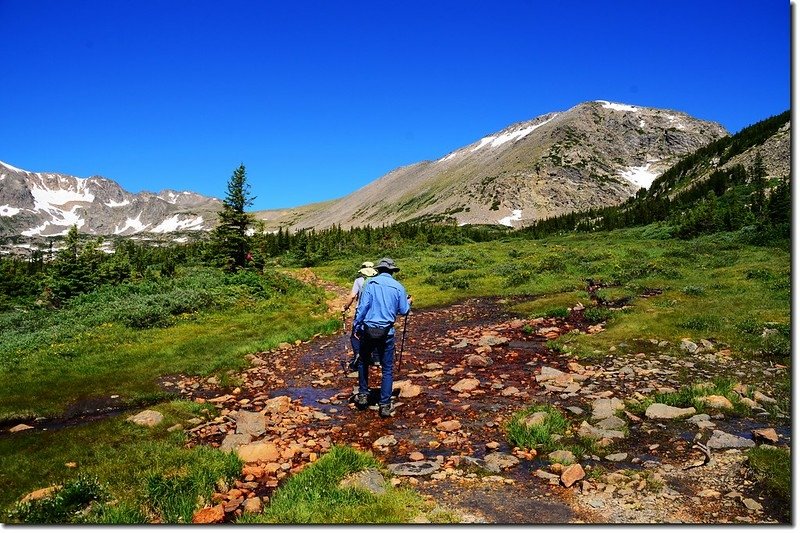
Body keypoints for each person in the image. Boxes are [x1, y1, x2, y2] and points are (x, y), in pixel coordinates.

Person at [353, 257, 412, 418]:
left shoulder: (370, 284)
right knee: (387, 369)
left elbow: (362, 307)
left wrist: (356, 326)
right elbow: (404, 310)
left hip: (368, 330)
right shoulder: (399, 287)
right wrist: (409, 302)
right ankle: (385, 405)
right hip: (387, 333)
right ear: (392, 271)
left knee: (363, 362)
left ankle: (364, 395)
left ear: (378, 270)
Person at [343, 261, 377, 366]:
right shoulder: (377, 281)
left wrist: (345, 307)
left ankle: (358, 353)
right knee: (374, 332)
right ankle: (376, 358)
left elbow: (353, 296)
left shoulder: (358, 281)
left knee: (355, 334)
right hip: (374, 311)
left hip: (361, 310)